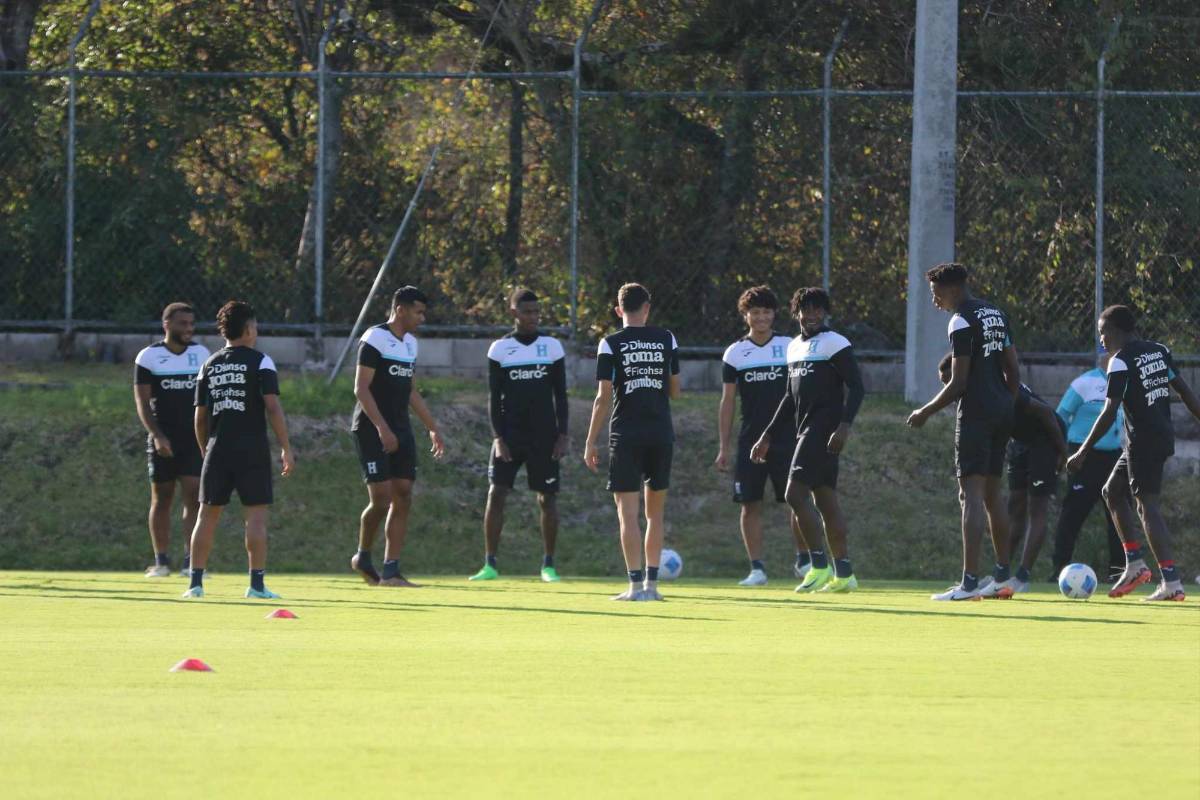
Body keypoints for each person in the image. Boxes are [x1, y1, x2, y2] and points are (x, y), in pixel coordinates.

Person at [1066, 304, 1200, 602]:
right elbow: (1186, 392)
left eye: (1102, 333)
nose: (1101, 339)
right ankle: (1135, 564)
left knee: (1146, 506)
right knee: (1112, 491)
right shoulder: (1158, 351)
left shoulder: (1120, 362)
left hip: (1143, 441)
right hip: (1156, 436)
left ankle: (1172, 582)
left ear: (1115, 331)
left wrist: (1083, 450)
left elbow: (1109, 409)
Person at [907, 263, 1020, 601]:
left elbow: (958, 382)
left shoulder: (961, 321)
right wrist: (1006, 404)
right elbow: (1013, 369)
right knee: (992, 495)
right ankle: (1001, 576)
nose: (935, 301)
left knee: (969, 495)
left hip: (976, 414)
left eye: (936, 294)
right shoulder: (995, 314)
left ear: (953, 289)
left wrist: (925, 411)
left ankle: (969, 583)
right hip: (1001, 411)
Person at [751, 287, 864, 593]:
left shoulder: (835, 343)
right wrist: (768, 434)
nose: (812, 315)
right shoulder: (794, 348)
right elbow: (790, 396)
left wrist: (844, 426)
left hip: (823, 429)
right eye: (806, 309)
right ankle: (845, 574)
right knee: (825, 500)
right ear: (797, 312)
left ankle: (818, 566)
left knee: (793, 495)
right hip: (804, 429)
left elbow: (857, 387)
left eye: (818, 310)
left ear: (825, 313)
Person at [183, 301, 294, 600]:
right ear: (247, 329)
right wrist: (285, 446)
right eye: (254, 326)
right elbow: (272, 406)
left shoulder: (209, 364)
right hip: (252, 447)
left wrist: (205, 449)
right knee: (255, 517)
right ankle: (256, 586)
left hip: (217, 446)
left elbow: (200, 416)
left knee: (206, 516)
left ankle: (195, 584)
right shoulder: (261, 362)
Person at [937, 355, 1067, 594]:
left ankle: (1022, 576)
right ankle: (1001, 573)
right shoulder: (978, 395)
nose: (948, 388)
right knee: (1014, 507)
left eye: (950, 380)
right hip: (1020, 442)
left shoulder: (1003, 386)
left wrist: (1062, 452)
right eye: (944, 384)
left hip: (1045, 440)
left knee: (1036, 508)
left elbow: (1046, 414)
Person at [583, 283, 681, 601]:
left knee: (627, 513)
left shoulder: (610, 344)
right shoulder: (667, 338)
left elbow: (603, 397)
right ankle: (653, 587)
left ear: (618, 310)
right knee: (656, 514)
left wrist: (590, 442)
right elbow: (676, 390)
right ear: (647, 308)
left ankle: (634, 586)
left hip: (625, 433)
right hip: (660, 432)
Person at [469, 288, 569, 582]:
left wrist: (563, 434)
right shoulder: (499, 349)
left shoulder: (552, 347)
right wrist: (498, 437)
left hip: (544, 435)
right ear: (514, 313)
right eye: (527, 312)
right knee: (496, 492)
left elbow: (560, 396)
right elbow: (494, 397)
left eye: (537, 312)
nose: (533, 317)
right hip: (510, 436)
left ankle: (548, 565)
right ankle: (490, 564)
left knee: (547, 498)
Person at [349, 286, 446, 588]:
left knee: (403, 493)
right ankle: (363, 556)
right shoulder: (375, 338)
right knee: (380, 499)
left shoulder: (410, 345)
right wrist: (382, 428)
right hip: (370, 427)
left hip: (400, 427)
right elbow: (361, 388)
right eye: (418, 311)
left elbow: (410, 391)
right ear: (400, 309)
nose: (422, 317)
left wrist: (432, 426)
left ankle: (391, 570)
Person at [715, 287, 809, 586]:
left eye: (766, 312)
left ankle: (805, 562)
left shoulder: (790, 345)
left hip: (788, 439)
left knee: (796, 501)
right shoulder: (735, 352)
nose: (761, 317)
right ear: (746, 316)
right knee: (750, 503)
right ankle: (756, 569)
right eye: (755, 312)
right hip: (751, 441)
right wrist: (723, 447)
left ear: (775, 314)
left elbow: (803, 390)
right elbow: (728, 401)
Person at [134, 302, 210, 578]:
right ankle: (161, 561)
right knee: (162, 498)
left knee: (194, 496)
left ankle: (192, 562)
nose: (188, 329)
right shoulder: (148, 357)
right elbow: (142, 402)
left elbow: (208, 400)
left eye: (191, 324)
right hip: (163, 438)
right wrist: (157, 435)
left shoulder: (202, 354)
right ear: (167, 325)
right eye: (182, 324)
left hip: (193, 439)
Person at [1049, 355, 1125, 581]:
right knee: (1074, 511)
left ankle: (1119, 571)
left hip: (1115, 456)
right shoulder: (1085, 383)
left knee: (1118, 514)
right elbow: (1060, 415)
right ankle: (1059, 567)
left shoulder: (1125, 381)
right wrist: (1063, 450)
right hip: (1084, 456)